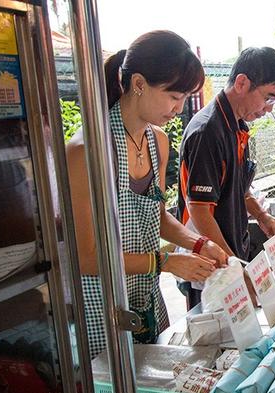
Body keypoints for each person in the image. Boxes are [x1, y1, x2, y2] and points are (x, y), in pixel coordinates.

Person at [67, 30, 227, 358]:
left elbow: (154, 211)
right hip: (102, 301)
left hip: (145, 291)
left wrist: (200, 243)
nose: (179, 108)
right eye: (174, 96)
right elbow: (87, 257)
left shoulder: (157, 141)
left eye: (185, 98)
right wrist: (166, 262)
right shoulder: (88, 151)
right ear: (138, 83)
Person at [177, 47, 275, 308]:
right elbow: (199, 211)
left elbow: (241, 189)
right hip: (209, 265)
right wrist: (232, 268)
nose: (269, 109)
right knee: (216, 336)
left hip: (230, 254)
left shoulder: (238, 127)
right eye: (268, 98)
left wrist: (262, 217)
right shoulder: (208, 130)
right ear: (242, 83)